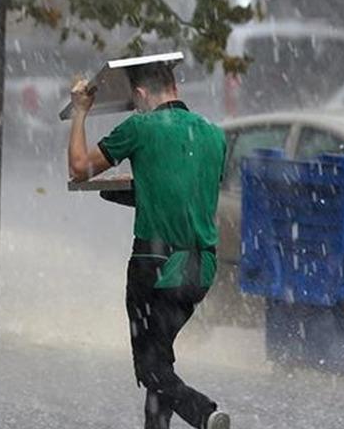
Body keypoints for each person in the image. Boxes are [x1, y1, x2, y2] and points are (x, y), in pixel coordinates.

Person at [67, 61, 229, 429]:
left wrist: (79, 112)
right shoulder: (214, 135)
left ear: (140, 95)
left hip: (155, 264)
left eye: (135, 101)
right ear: (175, 87)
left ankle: (204, 413)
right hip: (200, 270)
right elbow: (184, 194)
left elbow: (78, 167)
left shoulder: (140, 127)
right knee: (160, 360)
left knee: (150, 367)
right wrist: (143, 183)